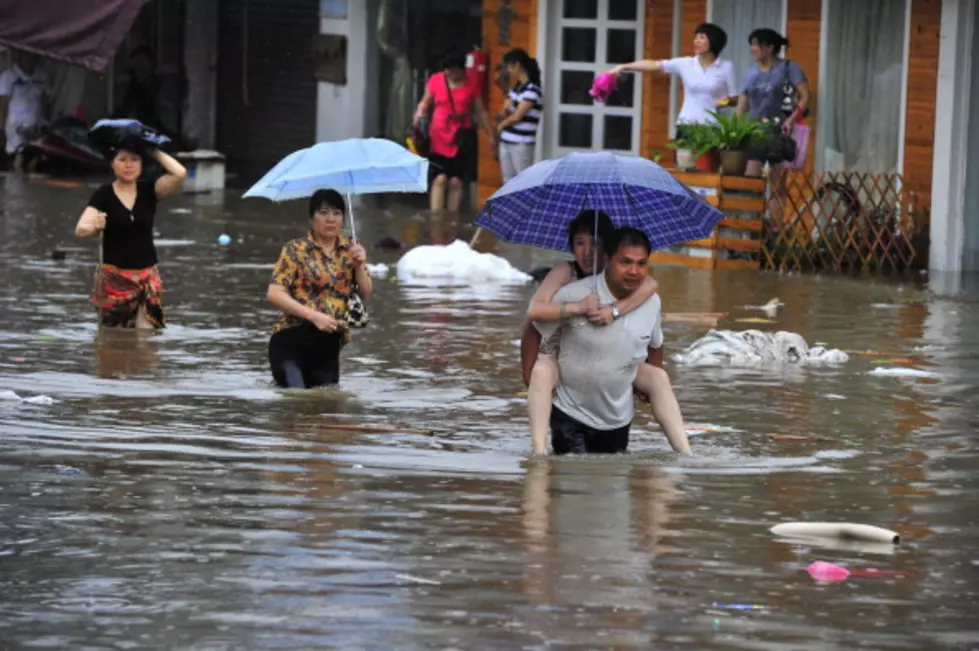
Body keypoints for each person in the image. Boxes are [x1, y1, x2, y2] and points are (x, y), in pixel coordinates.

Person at [521, 213, 690, 455]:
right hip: (562, 357)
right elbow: (533, 317)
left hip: (613, 365)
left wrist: (614, 311)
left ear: (607, 252)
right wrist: (576, 308)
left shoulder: (640, 287)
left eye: (596, 244)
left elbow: (651, 289)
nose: (588, 252)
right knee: (541, 370)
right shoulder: (567, 276)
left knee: (658, 377)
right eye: (580, 243)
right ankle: (538, 453)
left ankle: (685, 453)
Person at [266, 189, 373, 389]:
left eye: (336, 213)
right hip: (292, 339)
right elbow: (274, 293)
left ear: (343, 218)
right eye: (323, 212)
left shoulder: (351, 249)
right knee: (297, 399)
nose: (330, 219)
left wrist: (359, 264)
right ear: (311, 217)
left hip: (329, 345)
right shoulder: (295, 249)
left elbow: (365, 292)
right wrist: (313, 316)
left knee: (325, 408)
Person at [74, 145, 188, 329]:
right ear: (112, 164)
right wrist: (94, 225)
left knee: (145, 337)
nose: (129, 165)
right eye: (122, 160)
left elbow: (180, 173)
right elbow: (80, 229)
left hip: (146, 278)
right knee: (114, 340)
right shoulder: (103, 195)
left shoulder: (150, 191)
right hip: (114, 279)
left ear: (142, 165)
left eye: (134, 160)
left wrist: (151, 149)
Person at [608, 23, 736, 133]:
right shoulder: (686, 63)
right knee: (684, 162)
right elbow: (653, 64)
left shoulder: (726, 67)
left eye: (702, 37)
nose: (696, 41)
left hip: (712, 127)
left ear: (714, 41)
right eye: (695, 37)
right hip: (687, 124)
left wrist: (727, 101)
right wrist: (623, 66)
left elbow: (734, 99)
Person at [412, 51, 493, 213]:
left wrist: (491, 135)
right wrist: (417, 117)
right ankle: (436, 220)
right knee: (440, 180)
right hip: (438, 138)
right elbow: (424, 102)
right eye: (447, 70)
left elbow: (480, 111)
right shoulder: (436, 80)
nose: (449, 73)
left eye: (453, 70)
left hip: (460, 140)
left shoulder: (471, 85)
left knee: (456, 182)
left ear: (461, 69)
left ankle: (451, 221)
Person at [736, 28, 810, 176]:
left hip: (780, 132)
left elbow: (805, 96)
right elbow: (743, 103)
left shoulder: (789, 68)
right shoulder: (751, 73)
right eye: (751, 45)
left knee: (776, 184)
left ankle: (775, 200)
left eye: (756, 44)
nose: (752, 49)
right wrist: (737, 129)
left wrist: (791, 120)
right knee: (752, 178)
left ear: (770, 48)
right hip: (754, 132)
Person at [496, 48, 542, 183]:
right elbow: (506, 112)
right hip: (507, 140)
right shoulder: (516, 88)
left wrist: (502, 125)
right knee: (508, 180)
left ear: (517, 65)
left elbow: (517, 116)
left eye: (510, 66)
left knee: (523, 181)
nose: (509, 70)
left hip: (521, 142)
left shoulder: (533, 89)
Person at [0, 50, 49, 172]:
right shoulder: (8, 76)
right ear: (20, 55)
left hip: (35, 127)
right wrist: (1, 130)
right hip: (15, 128)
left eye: (34, 54)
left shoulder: (41, 76)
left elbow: (45, 101)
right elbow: (3, 105)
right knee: (18, 161)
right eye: (28, 54)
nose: (32, 57)